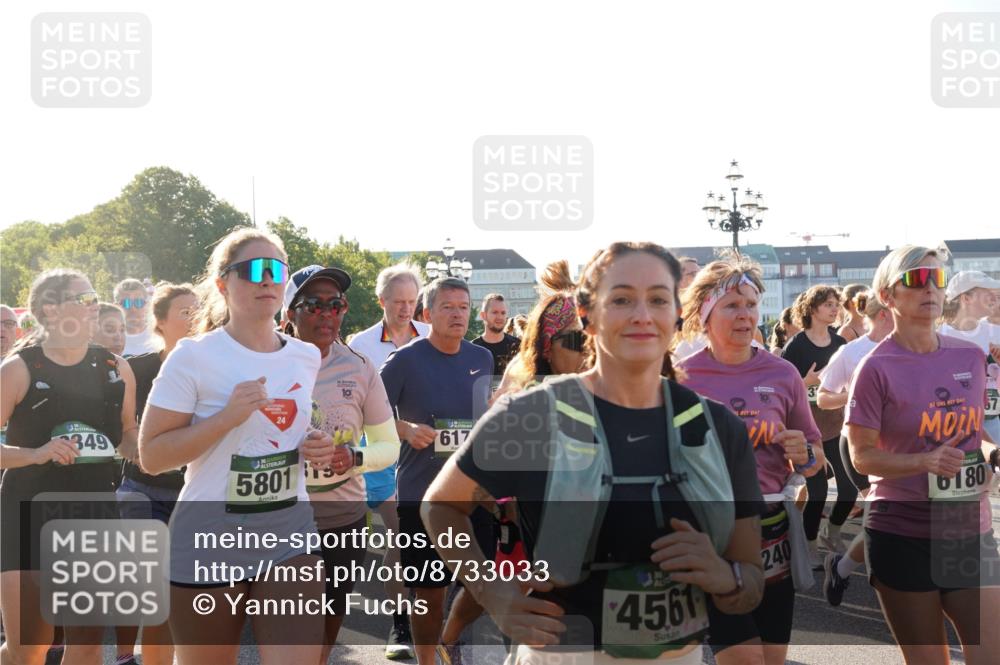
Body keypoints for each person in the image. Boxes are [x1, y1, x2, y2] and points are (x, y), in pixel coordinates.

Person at [423, 242, 766, 665]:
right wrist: (492, 591)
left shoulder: (717, 429)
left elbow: (750, 581)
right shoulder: (532, 414)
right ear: (587, 315)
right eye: (621, 298)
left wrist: (724, 577)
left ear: (676, 316)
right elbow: (440, 506)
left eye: (658, 299)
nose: (642, 314)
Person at [139, 228, 335, 665]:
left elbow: (281, 432)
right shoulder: (194, 357)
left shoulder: (305, 355)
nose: (268, 280)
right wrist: (227, 417)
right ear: (224, 283)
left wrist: (310, 444)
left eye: (277, 270)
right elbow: (152, 456)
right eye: (255, 270)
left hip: (289, 534)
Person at [846, 245, 1000, 665]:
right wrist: (922, 462)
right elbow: (862, 456)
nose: (930, 288)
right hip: (903, 531)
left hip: (967, 528)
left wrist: (992, 453)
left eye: (937, 278)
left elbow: (976, 432)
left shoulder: (969, 355)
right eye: (915, 279)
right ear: (888, 294)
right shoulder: (875, 367)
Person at [678, 253, 824, 665]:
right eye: (731, 306)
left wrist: (805, 453)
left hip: (771, 531)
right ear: (705, 314)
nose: (745, 315)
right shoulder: (680, 379)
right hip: (714, 535)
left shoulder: (782, 374)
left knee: (772, 658)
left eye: (751, 305)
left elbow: (815, 461)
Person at [1, 269, 138, 665]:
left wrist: (153, 449)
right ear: (51, 309)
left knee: (89, 644)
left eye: (94, 297)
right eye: (84, 297)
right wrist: (34, 453)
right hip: (27, 513)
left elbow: (128, 436)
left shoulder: (116, 369)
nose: (94, 304)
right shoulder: (19, 369)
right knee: (29, 648)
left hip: (94, 513)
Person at [282, 264, 402, 664]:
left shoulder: (360, 366)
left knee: (327, 626)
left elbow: (389, 446)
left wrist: (354, 456)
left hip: (341, 519)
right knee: (286, 629)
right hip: (279, 518)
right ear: (290, 313)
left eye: (337, 305)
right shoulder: (266, 363)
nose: (327, 314)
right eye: (314, 305)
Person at [379, 276, 493, 665]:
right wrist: (406, 429)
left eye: (463, 306)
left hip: (471, 493)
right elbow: (371, 415)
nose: (458, 314)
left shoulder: (482, 359)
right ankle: (429, 659)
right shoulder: (405, 360)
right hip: (421, 495)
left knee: (483, 583)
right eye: (447, 306)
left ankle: (449, 637)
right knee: (430, 591)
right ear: (427, 314)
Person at [348, 261, 430, 660]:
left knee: (405, 538)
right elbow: (357, 406)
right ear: (382, 301)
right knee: (370, 541)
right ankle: (394, 624)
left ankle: (407, 622)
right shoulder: (360, 345)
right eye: (398, 301)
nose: (405, 309)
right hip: (375, 454)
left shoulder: (432, 338)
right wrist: (401, 428)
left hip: (419, 458)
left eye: (412, 301)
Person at [115, 282, 197, 665]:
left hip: (196, 495)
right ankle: (126, 655)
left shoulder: (216, 368)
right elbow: (123, 431)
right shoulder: (140, 368)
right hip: (142, 490)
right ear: (160, 322)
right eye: (185, 312)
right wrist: (151, 455)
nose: (195, 318)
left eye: (199, 310)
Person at [816, 291, 894, 606]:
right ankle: (892, 584)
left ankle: (842, 567)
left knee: (894, 514)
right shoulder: (852, 352)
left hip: (903, 441)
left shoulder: (914, 348)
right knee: (883, 514)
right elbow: (822, 396)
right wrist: (855, 396)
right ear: (886, 314)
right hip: (861, 440)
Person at [781, 285, 852, 566]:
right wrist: (806, 383)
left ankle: (831, 532)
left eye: (837, 304)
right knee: (818, 491)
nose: (835, 309)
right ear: (812, 309)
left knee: (848, 491)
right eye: (828, 304)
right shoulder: (796, 346)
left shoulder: (840, 345)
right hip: (807, 432)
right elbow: (780, 389)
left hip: (836, 427)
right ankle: (809, 544)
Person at [494, 260, 587, 399]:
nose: (590, 350)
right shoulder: (521, 401)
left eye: (596, 339)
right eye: (578, 340)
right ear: (547, 348)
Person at [939, 271, 1000, 446]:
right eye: (986, 293)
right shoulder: (938, 337)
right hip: (952, 428)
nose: (993, 298)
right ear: (966, 298)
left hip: (993, 423)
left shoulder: (996, 332)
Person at [472, 293, 520, 387]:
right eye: (495, 312)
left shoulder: (518, 346)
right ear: (483, 315)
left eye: (503, 313)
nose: (500, 317)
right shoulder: (473, 349)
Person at [115, 278, 158, 357]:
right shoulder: (110, 340)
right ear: (116, 306)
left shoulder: (159, 337)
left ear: (146, 305)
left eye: (138, 302)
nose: (133, 308)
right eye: (126, 303)